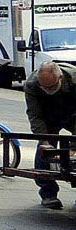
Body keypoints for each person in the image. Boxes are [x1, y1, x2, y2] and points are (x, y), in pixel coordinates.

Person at [24, 62, 76, 209]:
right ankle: (48, 194)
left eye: (52, 87)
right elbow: (35, 115)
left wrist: (73, 148)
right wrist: (44, 141)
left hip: (73, 114)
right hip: (49, 116)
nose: (47, 90)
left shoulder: (74, 79)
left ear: (60, 78)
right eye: (44, 88)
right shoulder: (32, 85)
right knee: (44, 150)